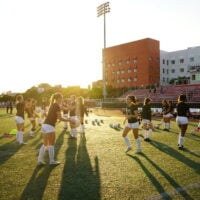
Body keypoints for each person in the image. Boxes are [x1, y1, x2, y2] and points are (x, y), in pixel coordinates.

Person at [37, 92, 71, 165]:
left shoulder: (52, 105)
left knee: (45, 144)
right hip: (49, 126)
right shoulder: (56, 106)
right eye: (62, 98)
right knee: (51, 144)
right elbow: (60, 118)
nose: (62, 99)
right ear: (59, 99)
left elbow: (54, 116)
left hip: (44, 125)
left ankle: (39, 160)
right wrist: (69, 120)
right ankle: (52, 161)